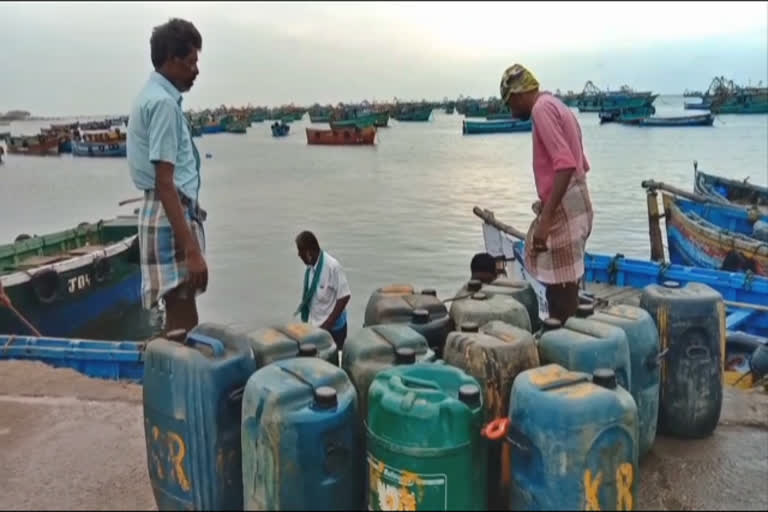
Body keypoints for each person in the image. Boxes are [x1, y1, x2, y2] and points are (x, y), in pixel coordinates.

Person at [126, 18, 206, 334]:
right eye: (191, 62)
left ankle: (176, 372)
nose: (196, 70)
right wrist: (192, 249)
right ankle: (184, 378)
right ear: (171, 60)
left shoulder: (150, 96)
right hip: (168, 212)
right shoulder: (163, 105)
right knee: (183, 310)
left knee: (177, 308)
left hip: (162, 210)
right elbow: (164, 181)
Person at [500, 63, 593, 324]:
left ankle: (565, 342)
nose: (511, 110)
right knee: (564, 283)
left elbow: (565, 164)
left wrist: (547, 219)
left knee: (560, 290)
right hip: (577, 199)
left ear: (518, 95)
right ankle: (569, 332)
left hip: (563, 203)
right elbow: (581, 163)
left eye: (509, 103)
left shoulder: (541, 110)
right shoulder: (557, 105)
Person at [295, 231, 351, 349]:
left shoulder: (332, 267)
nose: (298, 255)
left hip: (333, 330)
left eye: (300, 251)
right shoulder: (310, 269)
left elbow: (344, 296)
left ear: (309, 252)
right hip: (316, 327)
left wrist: (327, 325)